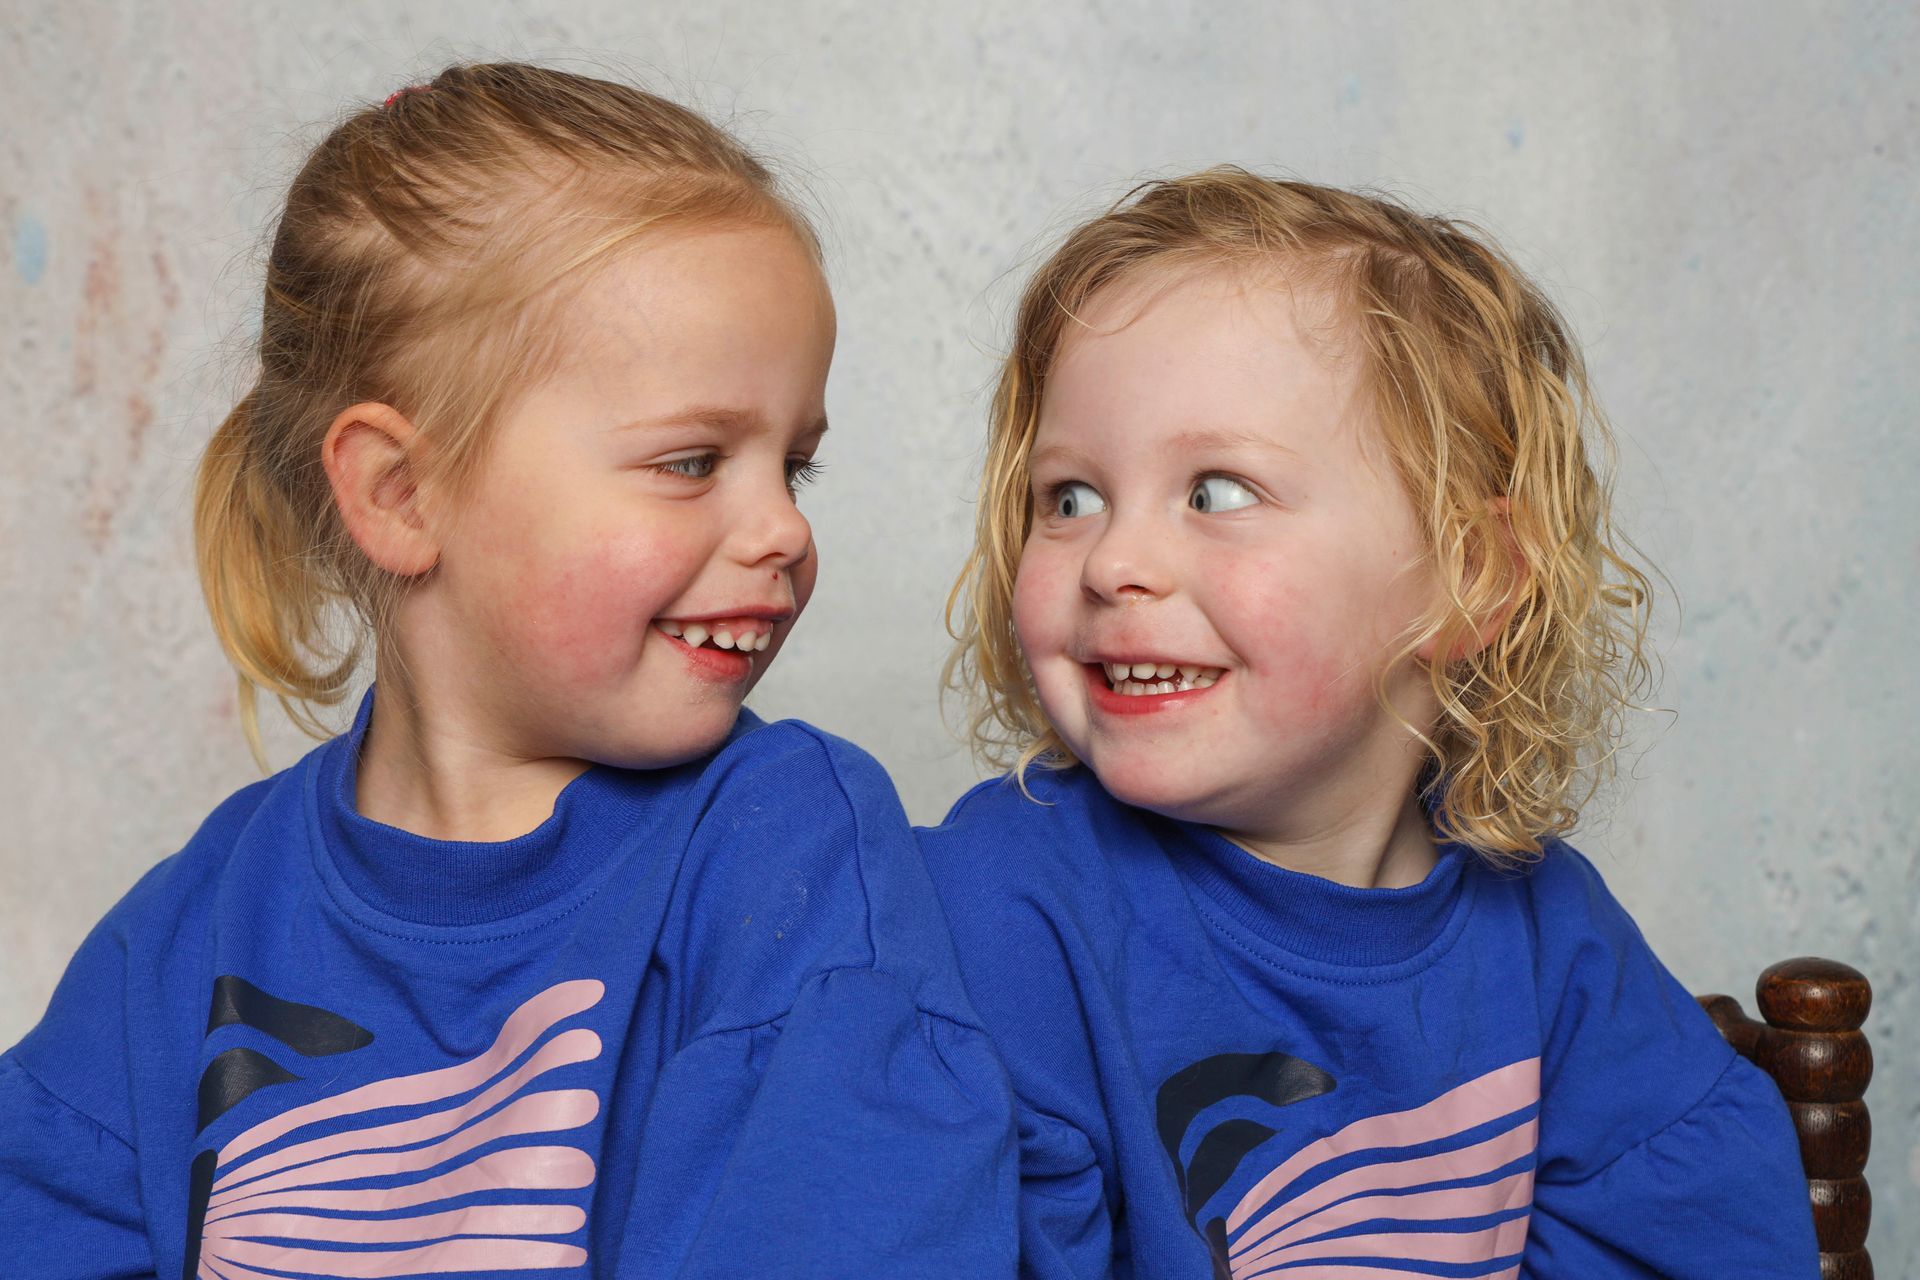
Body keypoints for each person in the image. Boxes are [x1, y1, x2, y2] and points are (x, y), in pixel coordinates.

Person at [0, 63, 1012, 1278]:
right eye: (693, 461)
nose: (783, 530)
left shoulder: (790, 850)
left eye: (794, 466)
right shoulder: (183, 933)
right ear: (400, 492)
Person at [927, 167, 1818, 1278]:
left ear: (1469, 575)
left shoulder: (1547, 930)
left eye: (1215, 490)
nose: (1112, 560)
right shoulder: (999, 915)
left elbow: (1696, 1234)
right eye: (1069, 496)